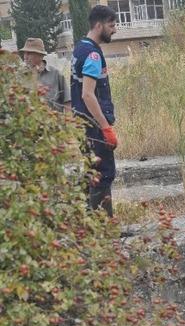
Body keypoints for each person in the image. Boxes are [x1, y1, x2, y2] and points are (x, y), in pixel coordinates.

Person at [70, 5, 118, 217]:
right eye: (111, 25)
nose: (114, 30)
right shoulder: (92, 54)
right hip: (94, 127)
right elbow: (87, 95)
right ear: (99, 25)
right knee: (103, 173)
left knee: (92, 173)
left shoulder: (80, 47)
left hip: (84, 124)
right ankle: (102, 229)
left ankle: (96, 227)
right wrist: (105, 128)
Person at [20, 37, 70, 113]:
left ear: (40, 55)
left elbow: (67, 102)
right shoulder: (20, 76)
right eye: (24, 53)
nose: (25, 57)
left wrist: (68, 119)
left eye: (29, 53)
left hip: (54, 119)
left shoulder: (55, 74)